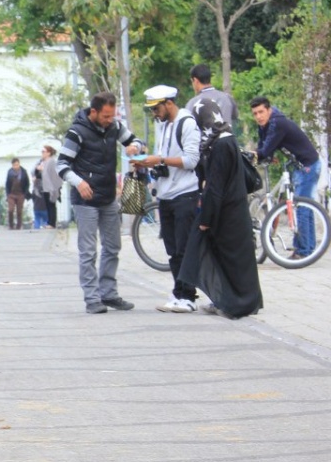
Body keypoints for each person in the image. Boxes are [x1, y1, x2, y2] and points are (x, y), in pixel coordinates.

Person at [57, 92, 144, 314]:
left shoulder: (114, 127)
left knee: (113, 246)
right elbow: (62, 165)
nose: (109, 120)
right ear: (93, 112)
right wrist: (79, 183)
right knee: (88, 251)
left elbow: (136, 141)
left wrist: (135, 147)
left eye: (112, 116)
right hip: (85, 200)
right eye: (105, 116)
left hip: (107, 197)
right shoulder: (77, 132)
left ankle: (109, 293)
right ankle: (92, 298)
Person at [178, 101, 263, 318]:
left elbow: (215, 187)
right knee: (234, 260)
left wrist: (207, 218)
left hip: (225, 212)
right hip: (235, 209)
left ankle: (232, 302)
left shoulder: (219, 145)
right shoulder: (226, 137)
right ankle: (228, 300)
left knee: (219, 255)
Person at [131, 85, 201, 314]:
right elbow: (161, 153)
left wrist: (159, 159)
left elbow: (191, 160)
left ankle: (189, 295)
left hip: (185, 193)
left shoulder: (187, 123)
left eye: (156, 108)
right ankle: (178, 291)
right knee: (171, 249)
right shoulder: (161, 124)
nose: (154, 113)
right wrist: (146, 160)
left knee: (184, 248)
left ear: (169, 103)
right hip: (165, 194)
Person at [249, 96, 323, 260]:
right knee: (304, 208)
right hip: (299, 167)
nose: (258, 116)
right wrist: (263, 153)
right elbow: (263, 146)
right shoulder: (265, 125)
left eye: (261, 112)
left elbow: (265, 150)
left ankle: (303, 251)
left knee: (302, 208)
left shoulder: (277, 123)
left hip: (308, 166)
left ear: (269, 110)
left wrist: (258, 154)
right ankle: (308, 248)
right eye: (255, 113)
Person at [35, 145, 63, 228]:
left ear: (48, 153)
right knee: (47, 205)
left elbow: (52, 175)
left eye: (44, 152)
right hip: (45, 187)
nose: (42, 153)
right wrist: (38, 169)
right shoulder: (43, 162)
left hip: (52, 187)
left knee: (51, 205)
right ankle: (49, 222)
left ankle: (52, 223)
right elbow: (39, 176)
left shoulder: (51, 162)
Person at [5, 158, 30, 230]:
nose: (16, 166)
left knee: (19, 210)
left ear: (19, 164)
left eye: (17, 164)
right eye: (14, 165)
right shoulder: (9, 172)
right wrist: (8, 194)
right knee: (11, 210)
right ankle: (11, 225)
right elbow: (7, 184)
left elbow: (27, 183)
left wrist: (25, 193)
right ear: (12, 165)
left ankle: (19, 226)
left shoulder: (23, 172)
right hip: (11, 194)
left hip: (20, 194)